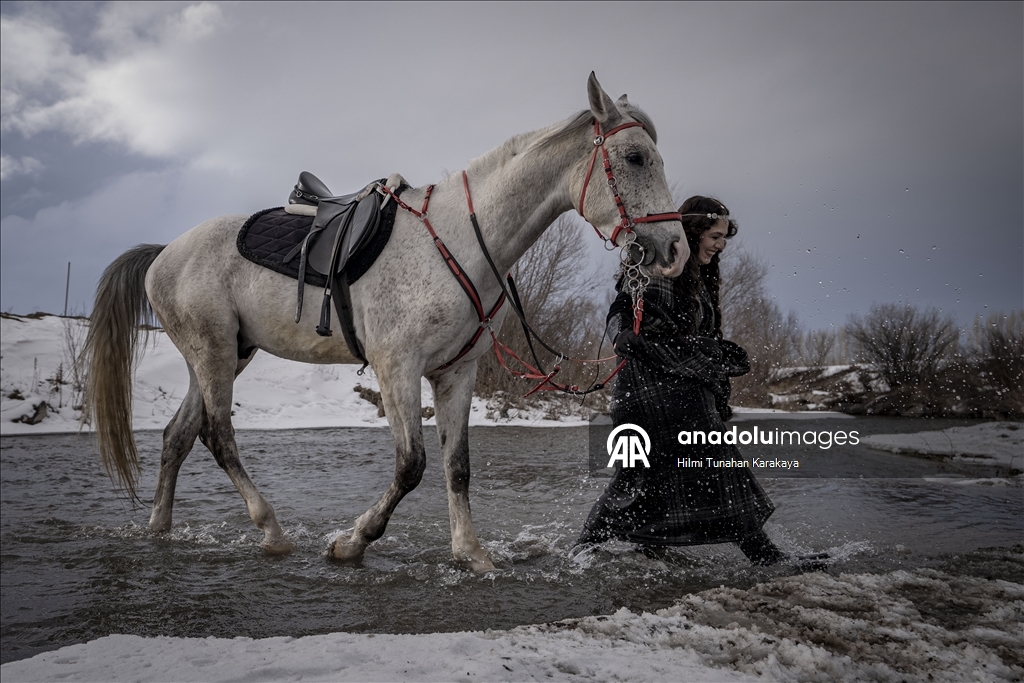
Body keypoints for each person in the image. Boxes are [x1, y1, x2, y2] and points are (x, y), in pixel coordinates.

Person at [578, 195, 794, 566]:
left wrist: (714, 365)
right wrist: (621, 333)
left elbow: (693, 335)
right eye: (715, 236)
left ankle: (621, 548)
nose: (720, 245)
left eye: (724, 238)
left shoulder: (700, 278)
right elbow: (623, 306)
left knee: (657, 473)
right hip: (648, 389)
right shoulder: (661, 260)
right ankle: (765, 557)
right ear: (693, 232)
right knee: (668, 470)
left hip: (679, 389)